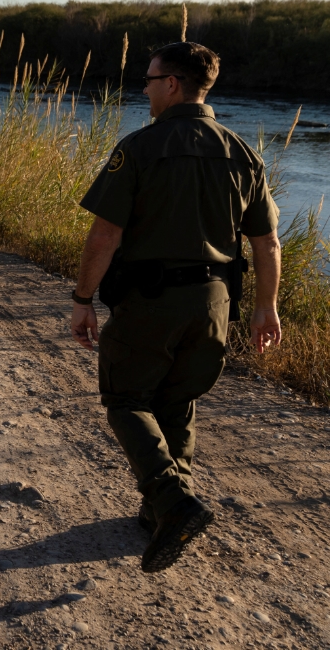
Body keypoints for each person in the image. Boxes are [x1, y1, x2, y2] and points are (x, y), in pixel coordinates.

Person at [70, 41, 281, 573]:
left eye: (149, 79)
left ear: (172, 84)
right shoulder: (243, 152)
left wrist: (82, 298)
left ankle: (172, 502)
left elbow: (105, 235)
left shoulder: (140, 148)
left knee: (126, 398)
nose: (143, 88)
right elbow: (267, 243)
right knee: (179, 395)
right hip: (215, 302)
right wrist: (266, 308)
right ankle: (158, 513)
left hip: (150, 299)